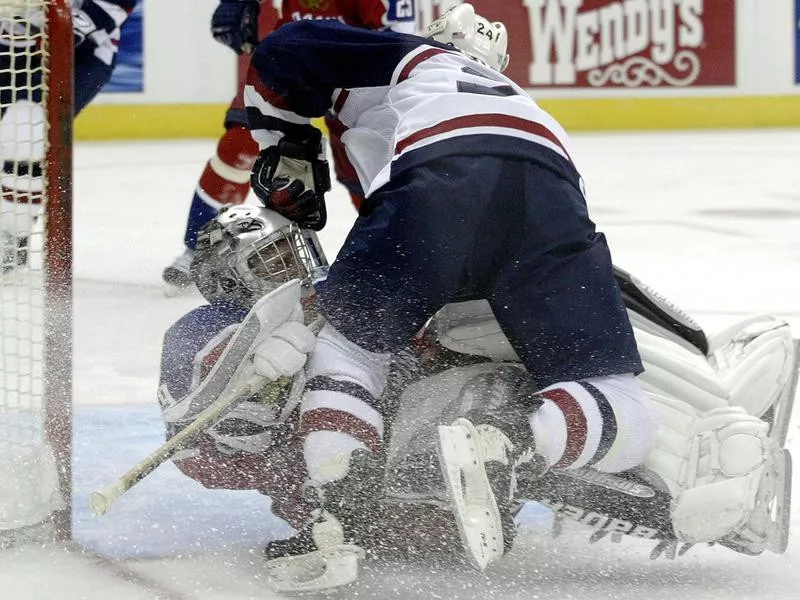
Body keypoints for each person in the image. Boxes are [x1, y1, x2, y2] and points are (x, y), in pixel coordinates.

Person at [157, 204, 795, 592]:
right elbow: (208, 452)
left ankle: (703, 415)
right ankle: (711, 440)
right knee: (498, 391)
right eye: (265, 266)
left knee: (515, 341)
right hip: (369, 498)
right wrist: (266, 380)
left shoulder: (333, 290)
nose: (288, 271)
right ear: (224, 283)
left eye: (288, 253)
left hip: (421, 480)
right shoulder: (205, 333)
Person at [239, 2, 661, 569]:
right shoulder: (518, 95)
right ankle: (512, 440)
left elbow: (282, 48)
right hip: (552, 194)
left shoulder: (416, 59)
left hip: (440, 180)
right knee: (622, 402)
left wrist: (284, 143)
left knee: (349, 351)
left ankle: (341, 514)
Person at [160, 0, 416, 295]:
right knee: (241, 143)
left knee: (372, 171)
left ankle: (399, 254)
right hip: (292, 56)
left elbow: (395, 43)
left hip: (359, 71)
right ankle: (198, 249)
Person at [1, 0, 136, 272]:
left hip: (81, 51)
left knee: (30, 137)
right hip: (8, 41)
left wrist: (73, 25)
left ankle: (13, 240)